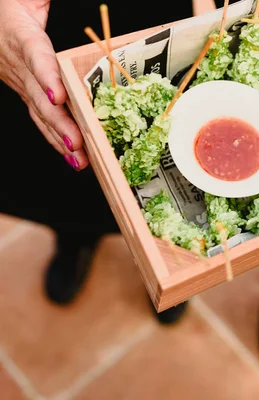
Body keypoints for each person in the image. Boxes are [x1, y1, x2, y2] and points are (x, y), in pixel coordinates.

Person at [0, 0, 195, 324]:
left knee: (181, 174)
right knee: (66, 175)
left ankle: (169, 260)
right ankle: (76, 239)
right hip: (53, 21)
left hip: (178, 15)